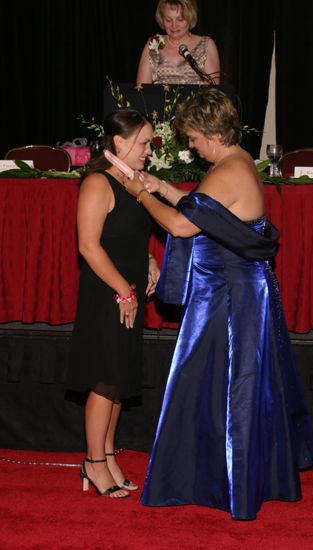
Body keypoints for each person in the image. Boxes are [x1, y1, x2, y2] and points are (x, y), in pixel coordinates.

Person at [122, 88, 313, 519]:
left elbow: (180, 224)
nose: (190, 146)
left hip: (231, 297)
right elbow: (205, 209)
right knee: (226, 387)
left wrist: (141, 192)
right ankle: (227, 475)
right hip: (240, 292)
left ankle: (220, 480)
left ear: (211, 134)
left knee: (228, 387)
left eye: (192, 138)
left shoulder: (227, 171)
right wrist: (164, 186)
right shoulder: (237, 161)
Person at [67, 109, 160, 498]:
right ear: (119, 142)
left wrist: (150, 261)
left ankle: (108, 454)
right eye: (143, 144)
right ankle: (93, 461)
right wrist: (124, 289)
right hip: (109, 291)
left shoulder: (133, 181)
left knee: (119, 378)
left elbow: (132, 234)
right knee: (105, 380)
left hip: (130, 288)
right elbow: (88, 246)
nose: (148, 151)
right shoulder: (97, 182)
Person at [136, 0, 221, 85]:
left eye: (180, 19)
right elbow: (141, 91)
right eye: (168, 20)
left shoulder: (205, 45)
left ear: (190, 18)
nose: (174, 25)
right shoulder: (154, 43)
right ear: (162, 19)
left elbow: (213, 91)